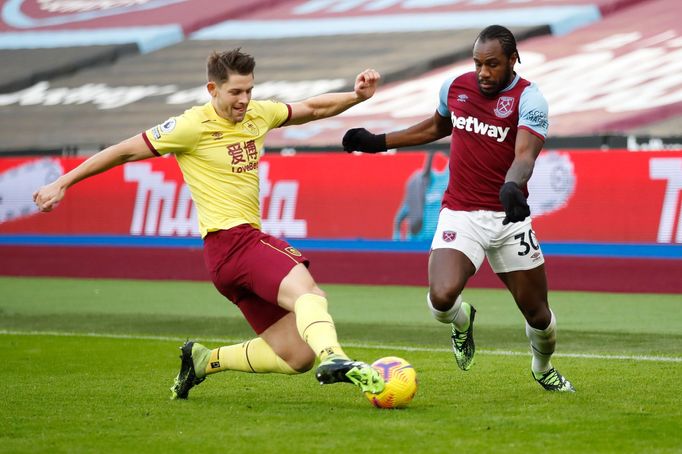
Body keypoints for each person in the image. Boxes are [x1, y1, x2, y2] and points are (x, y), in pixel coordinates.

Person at [33, 48, 385, 399]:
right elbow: (123, 151)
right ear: (212, 90)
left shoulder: (259, 114)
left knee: (296, 355)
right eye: (235, 92)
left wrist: (356, 97)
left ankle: (203, 361)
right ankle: (335, 358)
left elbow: (311, 109)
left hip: (224, 261)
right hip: (237, 241)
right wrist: (63, 181)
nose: (244, 100)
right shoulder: (190, 126)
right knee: (310, 295)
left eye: (248, 90)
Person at [343, 25, 575, 392]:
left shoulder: (530, 99)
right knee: (441, 299)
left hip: (509, 218)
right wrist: (378, 142)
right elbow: (436, 126)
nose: (483, 72)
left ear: (513, 60)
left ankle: (542, 367)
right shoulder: (455, 88)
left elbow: (525, 155)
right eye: (478, 63)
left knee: (539, 315)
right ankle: (462, 321)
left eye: (492, 64)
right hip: (461, 213)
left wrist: (513, 185)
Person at [393, 151, 449, 241]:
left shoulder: (442, 185)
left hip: (435, 241)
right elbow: (399, 218)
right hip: (416, 241)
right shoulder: (415, 192)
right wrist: (396, 238)